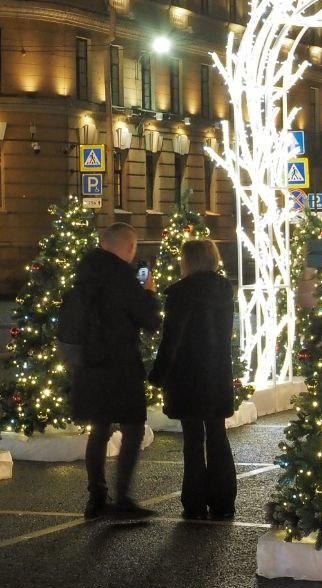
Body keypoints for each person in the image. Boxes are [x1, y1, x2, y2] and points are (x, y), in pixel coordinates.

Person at [68, 222, 162, 520]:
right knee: (133, 428)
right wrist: (149, 292)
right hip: (120, 366)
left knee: (99, 429)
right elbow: (150, 320)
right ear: (130, 247)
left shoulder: (85, 272)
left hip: (89, 365)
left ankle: (97, 497)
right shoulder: (122, 276)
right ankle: (122, 499)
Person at [148, 239, 237, 521]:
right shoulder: (224, 289)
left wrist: (157, 375)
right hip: (217, 372)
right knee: (218, 435)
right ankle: (223, 501)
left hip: (188, 375)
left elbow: (171, 340)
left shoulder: (180, 293)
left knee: (193, 440)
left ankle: (195, 501)